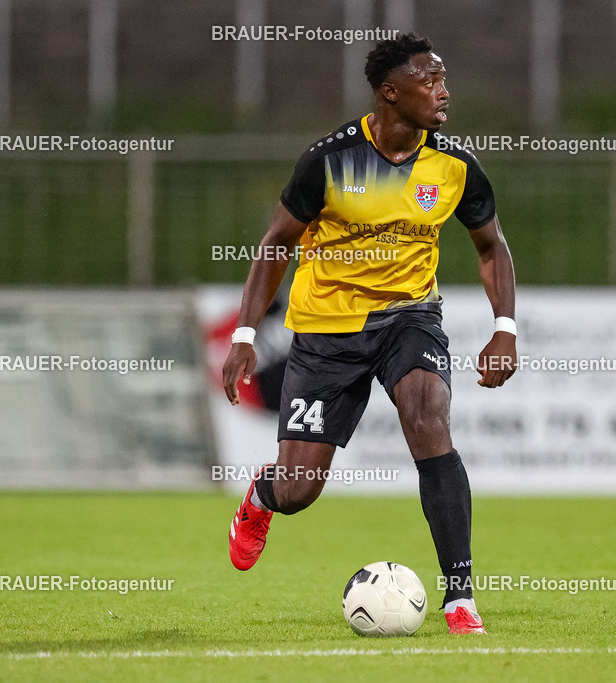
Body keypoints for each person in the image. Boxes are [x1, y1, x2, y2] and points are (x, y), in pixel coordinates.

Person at [222, 32, 517, 635]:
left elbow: (491, 247)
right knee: (300, 488)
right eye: (429, 80)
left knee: (428, 414)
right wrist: (246, 334)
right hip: (326, 334)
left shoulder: (456, 166)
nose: (443, 91)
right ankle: (262, 498)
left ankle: (459, 596)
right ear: (390, 92)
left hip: (409, 318)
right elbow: (276, 243)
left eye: (443, 78)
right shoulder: (328, 161)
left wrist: (504, 327)